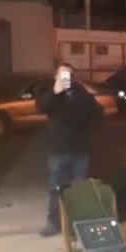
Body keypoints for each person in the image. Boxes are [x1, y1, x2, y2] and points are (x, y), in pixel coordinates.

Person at [36, 63, 104, 237]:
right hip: (58, 149)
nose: (66, 78)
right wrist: (56, 91)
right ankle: (53, 222)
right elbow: (42, 107)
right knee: (56, 188)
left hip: (80, 149)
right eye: (62, 75)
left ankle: (78, 223)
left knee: (80, 189)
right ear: (56, 76)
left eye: (69, 75)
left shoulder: (80, 92)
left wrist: (89, 100)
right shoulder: (49, 91)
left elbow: (98, 113)